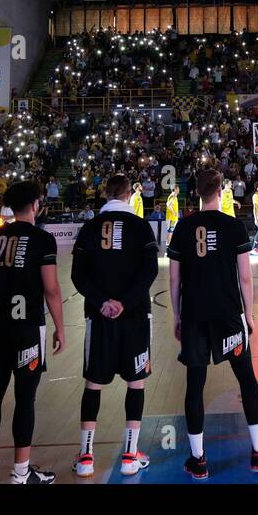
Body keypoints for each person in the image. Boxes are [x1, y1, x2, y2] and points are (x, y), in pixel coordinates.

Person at [167, 169, 258, 479]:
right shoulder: (233, 226)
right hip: (229, 316)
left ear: (196, 192)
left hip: (195, 316)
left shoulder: (184, 227)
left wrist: (176, 315)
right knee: (247, 380)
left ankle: (198, 459)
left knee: (194, 386)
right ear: (220, 191)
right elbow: (246, 277)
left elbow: (174, 276)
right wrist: (249, 315)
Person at [71, 174, 159, 477]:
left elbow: (78, 277)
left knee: (93, 382)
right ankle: (130, 455)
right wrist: (125, 302)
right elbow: (149, 272)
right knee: (136, 381)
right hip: (134, 316)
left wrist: (103, 302)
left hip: (99, 316)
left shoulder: (90, 227)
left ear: (105, 194)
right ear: (127, 194)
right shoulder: (140, 225)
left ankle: (86, 456)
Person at [0, 180, 65, 484]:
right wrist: (60, 328)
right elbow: (51, 289)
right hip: (29, 328)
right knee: (25, 399)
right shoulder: (43, 240)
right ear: (36, 205)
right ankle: (20, 473)